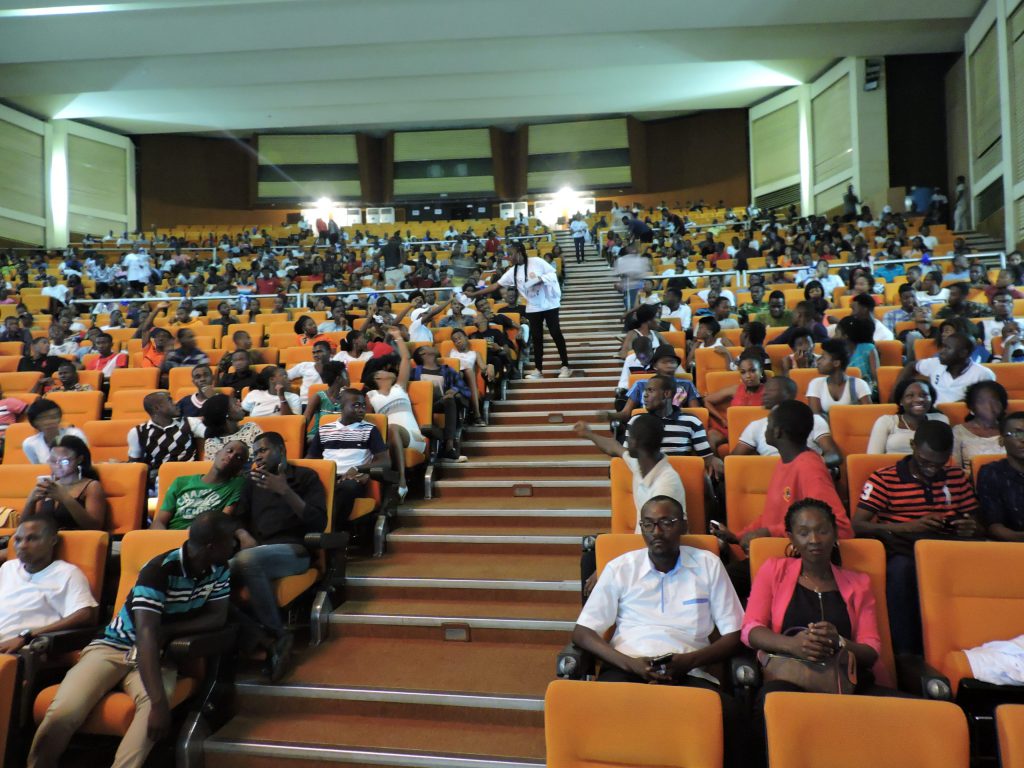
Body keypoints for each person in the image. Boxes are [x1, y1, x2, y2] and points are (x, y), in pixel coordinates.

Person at [28, 511, 236, 768]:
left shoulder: (220, 568)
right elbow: (146, 632)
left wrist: (169, 632)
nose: (235, 545)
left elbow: (217, 617)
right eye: (230, 540)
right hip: (112, 647)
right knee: (63, 713)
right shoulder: (159, 570)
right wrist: (161, 703)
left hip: (159, 656)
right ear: (211, 546)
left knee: (148, 718)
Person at [572, 495, 746, 768]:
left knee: (732, 717)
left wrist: (689, 661)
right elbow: (583, 632)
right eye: (649, 524)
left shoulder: (708, 565)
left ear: (684, 525)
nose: (656, 532)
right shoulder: (621, 568)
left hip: (688, 670)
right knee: (591, 710)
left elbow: (735, 634)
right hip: (627, 668)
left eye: (666, 523)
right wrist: (632, 665)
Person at [744, 498, 893, 763]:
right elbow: (751, 630)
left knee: (920, 712)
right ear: (791, 537)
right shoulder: (774, 570)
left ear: (835, 533)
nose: (814, 539)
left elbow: (872, 650)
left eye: (822, 530)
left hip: (846, 683)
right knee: (770, 700)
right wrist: (792, 645)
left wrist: (840, 642)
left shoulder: (858, 583)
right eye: (804, 532)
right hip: (789, 680)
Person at [853, 420, 980, 654]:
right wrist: (909, 527)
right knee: (901, 572)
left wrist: (969, 527)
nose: (932, 469)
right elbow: (858, 525)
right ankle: (906, 653)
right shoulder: (884, 478)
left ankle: (967, 645)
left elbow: (977, 523)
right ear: (913, 446)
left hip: (948, 548)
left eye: (939, 463)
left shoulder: (955, 477)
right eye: (925, 461)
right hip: (904, 549)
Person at [716, 400, 852, 597]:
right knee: (716, 578)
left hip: (793, 560)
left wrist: (769, 532)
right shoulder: (784, 462)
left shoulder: (809, 469)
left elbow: (840, 526)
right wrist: (737, 535)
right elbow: (772, 516)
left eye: (769, 423)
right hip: (771, 552)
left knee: (720, 584)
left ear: (778, 432)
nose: (765, 427)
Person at [230, 432, 327, 681]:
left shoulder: (305, 477)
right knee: (211, 576)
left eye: (262, 450)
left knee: (247, 560)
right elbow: (238, 518)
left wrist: (285, 491)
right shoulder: (252, 482)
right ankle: (265, 639)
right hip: (256, 549)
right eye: (255, 453)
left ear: (281, 450)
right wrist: (242, 535)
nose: (258, 457)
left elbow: (318, 521)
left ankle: (278, 633)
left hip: (294, 550)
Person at [464, 241, 570, 379]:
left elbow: (553, 274)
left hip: (549, 303)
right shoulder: (512, 271)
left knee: (555, 332)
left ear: (520, 252)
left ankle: (565, 366)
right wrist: (474, 294)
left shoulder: (536, 261)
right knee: (537, 338)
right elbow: (496, 286)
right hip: (533, 306)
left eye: (511, 253)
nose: (509, 257)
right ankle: (538, 370)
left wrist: (540, 279)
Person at [0, 515, 98, 652]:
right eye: (18, 540)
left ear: (52, 540)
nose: (22, 545)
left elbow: (85, 615)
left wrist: (26, 637)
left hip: (24, 647)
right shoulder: (8, 568)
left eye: (32, 538)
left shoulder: (67, 573)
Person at [574, 414, 684, 533]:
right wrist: (589, 434)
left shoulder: (666, 484)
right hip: (642, 544)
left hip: (655, 546)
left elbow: (660, 536)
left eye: (629, 436)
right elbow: (614, 447)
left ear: (634, 442)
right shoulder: (641, 462)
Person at [306, 388, 390, 527]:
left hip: (352, 480)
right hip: (327, 478)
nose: (361, 409)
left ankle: (329, 531)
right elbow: (310, 458)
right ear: (341, 406)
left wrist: (357, 468)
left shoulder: (370, 429)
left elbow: (385, 461)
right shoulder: (324, 429)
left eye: (363, 405)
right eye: (356, 405)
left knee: (346, 488)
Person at [365, 328, 426, 500]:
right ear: (377, 378)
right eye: (384, 371)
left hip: (413, 438)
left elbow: (406, 358)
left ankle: (401, 481)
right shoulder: (371, 396)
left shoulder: (399, 387)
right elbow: (368, 420)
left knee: (392, 428)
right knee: (389, 430)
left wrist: (398, 337)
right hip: (389, 438)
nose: (390, 369)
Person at [733, 376, 840, 466]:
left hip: (805, 472)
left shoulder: (813, 419)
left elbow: (834, 455)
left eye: (771, 390)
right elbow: (733, 459)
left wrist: (812, 465)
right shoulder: (756, 426)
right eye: (765, 390)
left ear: (789, 394)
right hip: (771, 477)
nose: (764, 394)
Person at [151, 441, 248, 530]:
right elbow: (159, 521)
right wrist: (164, 539)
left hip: (203, 539)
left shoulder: (237, 485)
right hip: (171, 535)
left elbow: (222, 521)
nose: (231, 456)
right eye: (229, 451)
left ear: (240, 467)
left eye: (238, 458)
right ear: (217, 453)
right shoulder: (180, 482)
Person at [127, 392, 198, 496]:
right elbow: (135, 465)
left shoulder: (190, 423)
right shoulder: (138, 432)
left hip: (188, 477)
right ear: (157, 408)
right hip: (159, 481)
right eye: (169, 400)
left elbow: (215, 433)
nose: (175, 403)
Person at [896, 332, 996, 404]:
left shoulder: (983, 374)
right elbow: (911, 366)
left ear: (963, 353)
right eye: (943, 347)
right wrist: (895, 394)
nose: (941, 352)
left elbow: (986, 402)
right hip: (932, 416)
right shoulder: (935, 363)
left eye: (947, 348)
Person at [408, 345, 469, 462]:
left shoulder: (446, 369)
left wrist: (454, 390)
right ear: (422, 354)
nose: (433, 347)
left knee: (450, 399)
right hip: (421, 406)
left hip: (439, 403)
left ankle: (449, 447)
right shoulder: (415, 372)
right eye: (428, 347)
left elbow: (464, 387)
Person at [866, 379, 948, 455]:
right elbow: (873, 457)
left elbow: (947, 455)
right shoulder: (886, 421)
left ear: (931, 399)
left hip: (931, 469)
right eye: (910, 396)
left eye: (924, 395)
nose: (919, 399)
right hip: (892, 469)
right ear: (901, 401)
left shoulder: (940, 420)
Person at [977, 411, 1024, 542]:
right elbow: (995, 527)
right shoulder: (991, 473)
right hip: (1009, 547)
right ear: (1001, 440)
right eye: (1017, 433)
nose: (1023, 439)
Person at [705, 354, 765, 452]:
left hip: (757, 433)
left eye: (752, 371)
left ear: (761, 371)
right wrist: (722, 419)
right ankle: (717, 466)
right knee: (711, 436)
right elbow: (707, 401)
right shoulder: (735, 389)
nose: (748, 376)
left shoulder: (769, 391)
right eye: (743, 372)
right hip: (732, 431)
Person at [806, 339, 872, 419]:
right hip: (825, 430)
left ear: (836, 363)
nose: (818, 361)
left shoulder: (859, 384)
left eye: (823, 357)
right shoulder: (816, 384)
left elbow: (868, 415)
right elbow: (816, 417)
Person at [951, 380, 1007, 470]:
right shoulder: (958, 432)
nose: (989, 407)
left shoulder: (1010, 430)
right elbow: (955, 468)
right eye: (982, 402)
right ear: (972, 406)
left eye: (995, 401)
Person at [193, 394, 263, 459]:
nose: (239, 402)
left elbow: (265, 453)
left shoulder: (251, 428)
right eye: (235, 403)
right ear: (226, 414)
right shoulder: (212, 443)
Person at [22, 399, 87, 465]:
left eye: (53, 417)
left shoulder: (75, 435)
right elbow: (37, 470)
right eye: (43, 418)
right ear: (34, 422)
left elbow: (84, 462)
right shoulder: (29, 443)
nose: (49, 422)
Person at [287, 340, 333, 406]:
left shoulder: (337, 366)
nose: (315, 355)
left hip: (328, 404)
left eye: (319, 352)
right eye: (314, 353)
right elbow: (285, 376)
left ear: (329, 352)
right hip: (305, 403)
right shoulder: (305, 365)